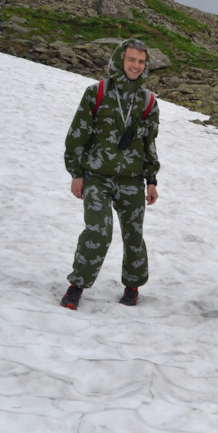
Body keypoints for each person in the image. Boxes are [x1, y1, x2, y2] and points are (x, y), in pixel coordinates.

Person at [61, 38, 160, 310]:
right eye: (131, 60)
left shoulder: (148, 101)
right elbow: (77, 134)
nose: (136, 66)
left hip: (132, 179)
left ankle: (132, 287)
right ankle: (76, 286)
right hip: (96, 176)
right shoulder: (97, 93)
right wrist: (76, 172)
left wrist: (151, 180)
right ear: (120, 60)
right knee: (99, 230)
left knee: (133, 234)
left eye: (141, 62)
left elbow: (149, 144)